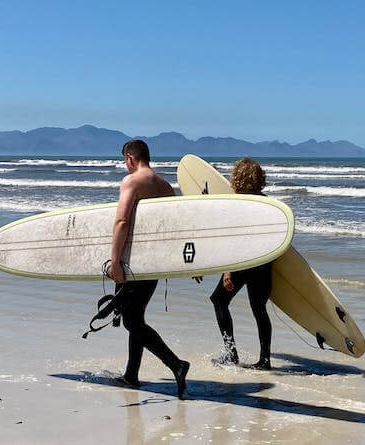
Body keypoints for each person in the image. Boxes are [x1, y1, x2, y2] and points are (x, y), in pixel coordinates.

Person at [109, 139, 191, 399]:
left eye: (125, 160)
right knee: (136, 318)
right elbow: (175, 227)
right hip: (154, 263)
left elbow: (122, 221)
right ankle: (131, 376)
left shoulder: (131, 182)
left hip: (133, 262)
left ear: (131, 157)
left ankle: (176, 364)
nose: (126, 165)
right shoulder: (166, 187)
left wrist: (114, 260)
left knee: (132, 320)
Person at [206, 157, 273, 370]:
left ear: (238, 177)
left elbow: (233, 239)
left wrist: (227, 271)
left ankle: (231, 353)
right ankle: (265, 360)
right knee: (259, 308)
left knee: (218, 300)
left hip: (243, 262)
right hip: (264, 263)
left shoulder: (239, 205)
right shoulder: (268, 203)